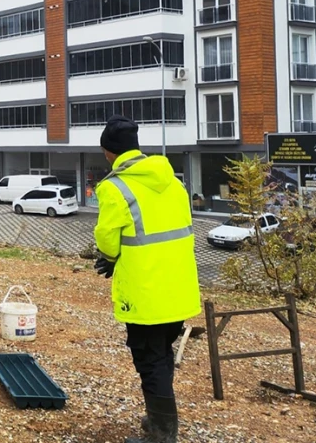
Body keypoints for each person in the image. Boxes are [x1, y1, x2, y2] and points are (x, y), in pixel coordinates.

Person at [92, 115, 201, 443]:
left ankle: (161, 433)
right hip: (178, 289)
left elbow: (107, 238)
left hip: (145, 293)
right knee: (162, 353)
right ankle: (161, 419)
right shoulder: (173, 181)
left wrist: (110, 258)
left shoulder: (115, 187)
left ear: (108, 152)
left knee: (149, 359)